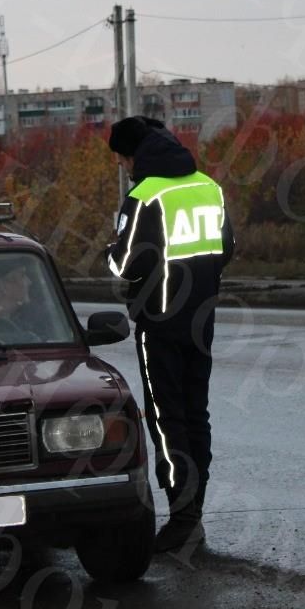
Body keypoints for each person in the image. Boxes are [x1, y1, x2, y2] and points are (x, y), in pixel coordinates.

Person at [105, 115, 233, 554]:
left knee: (166, 419)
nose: (123, 167)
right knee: (197, 415)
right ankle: (194, 509)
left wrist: (111, 251)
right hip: (203, 321)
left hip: (158, 324)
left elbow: (125, 264)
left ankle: (182, 518)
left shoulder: (144, 196)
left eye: (122, 159)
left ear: (132, 154)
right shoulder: (208, 187)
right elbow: (226, 248)